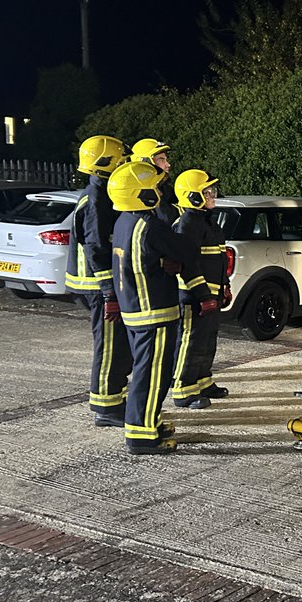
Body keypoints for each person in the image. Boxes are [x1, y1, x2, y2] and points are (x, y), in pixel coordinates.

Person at [108, 161, 218, 455]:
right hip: (153, 311)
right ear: (142, 194)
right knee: (152, 376)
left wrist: (164, 260)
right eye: (155, 187)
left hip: (136, 310)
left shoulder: (124, 222)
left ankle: (148, 422)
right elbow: (186, 249)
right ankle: (142, 436)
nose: (160, 192)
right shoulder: (150, 226)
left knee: (146, 372)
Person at [65, 135, 133, 427]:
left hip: (100, 285)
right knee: (109, 347)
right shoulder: (97, 198)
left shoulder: (101, 193)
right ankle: (106, 408)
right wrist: (108, 291)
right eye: (122, 160)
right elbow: (95, 247)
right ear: (107, 163)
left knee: (117, 345)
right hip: (97, 286)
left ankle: (115, 399)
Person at [171, 169, 231, 410]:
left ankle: (203, 382)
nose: (212, 195)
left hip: (210, 295)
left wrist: (224, 287)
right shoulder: (187, 223)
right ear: (192, 196)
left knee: (207, 340)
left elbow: (217, 259)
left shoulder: (206, 220)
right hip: (193, 296)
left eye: (212, 191)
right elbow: (188, 264)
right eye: (207, 192)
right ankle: (183, 390)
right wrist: (203, 295)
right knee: (191, 341)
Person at [130, 138, 178, 224]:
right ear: (145, 163)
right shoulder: (136, 195)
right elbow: (167, 220)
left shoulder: (165, 188)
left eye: (166, 159)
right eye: (161, 160)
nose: (168, 165)